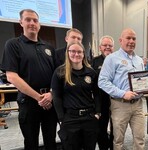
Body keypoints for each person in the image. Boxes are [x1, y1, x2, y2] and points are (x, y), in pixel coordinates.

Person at [0, 9, 58, 150]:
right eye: (28, 19)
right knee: (31, 142)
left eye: (35, 20)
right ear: (21, 22)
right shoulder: (13, 45)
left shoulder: (49, 47)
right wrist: (39, 98)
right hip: (29, 102)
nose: (32, 23)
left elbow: (57, 75)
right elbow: (11, 76)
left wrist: (51, 94)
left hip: (50, 101)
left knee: (51, 140)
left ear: (39, 25)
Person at [99, 28, 148, 150]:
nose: (131, 41)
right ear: (121, 40)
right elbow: (102, 82)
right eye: (128, 38)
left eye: (134, 38)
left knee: (140, 139)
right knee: (118, 140)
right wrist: (123, 93)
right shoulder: (111, 58)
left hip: (138, 105)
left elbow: (141, 80)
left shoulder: (139, 60)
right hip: (120, 105)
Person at [51, 42, 101, 150]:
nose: (76, 54)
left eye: (79, 52)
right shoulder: (60, 72)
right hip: (70, 119)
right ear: (68, 53)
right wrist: (61, 119)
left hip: (89, 118)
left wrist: (97, 113)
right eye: (73, 51)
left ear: (83, 54)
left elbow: (97, 94)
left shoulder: (91, 73)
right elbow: (56, 97)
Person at [91, 35, 114, 150]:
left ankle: (114, 146)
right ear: (100, 47)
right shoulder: (94, 62)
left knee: (116, 127)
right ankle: (103, 147)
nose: (107, 47)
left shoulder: (118, 60)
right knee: (102, 127)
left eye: (110, 45)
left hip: (116, 100)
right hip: (101, 100)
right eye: (105, 45)